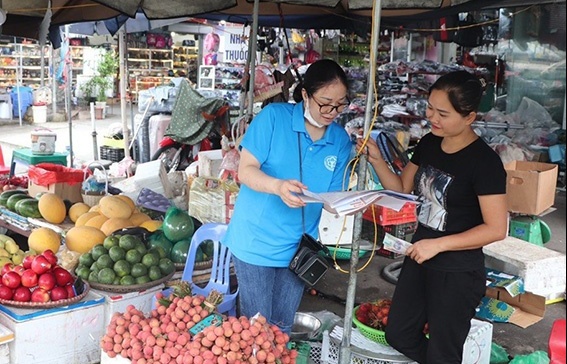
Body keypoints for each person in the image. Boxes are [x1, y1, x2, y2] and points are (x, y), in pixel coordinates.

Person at [358, 70, 508, 363]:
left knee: (444, 351)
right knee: (398, 333)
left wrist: (438, 244)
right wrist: (376, 160)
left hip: (457, 273)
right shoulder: (428, 143)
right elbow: (401, 187)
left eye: (443, 113)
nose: (432, 118)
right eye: (430, 108)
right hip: (419, 259)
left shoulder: (485, 163)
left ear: (470, 117)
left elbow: (495, 228)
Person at [223, 59, 352, 333]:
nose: (332, 111)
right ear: (305, 94)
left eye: (340, 104)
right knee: (256, 330)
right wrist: (278, 187)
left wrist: (349, 202)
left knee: (281, 327)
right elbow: (245, 172)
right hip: (256, 242)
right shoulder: (273, 118)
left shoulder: (340, 140)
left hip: (299, 248)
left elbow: (333, 195)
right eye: (325, 102)